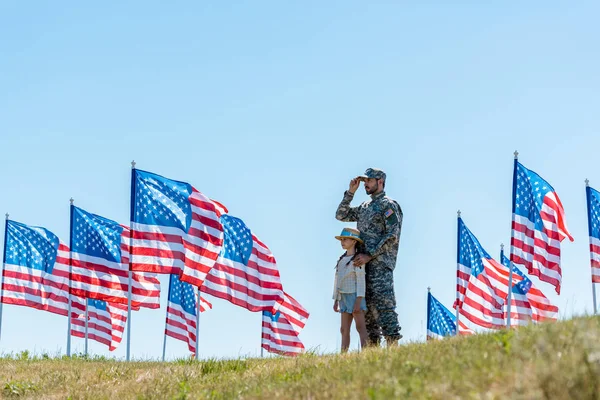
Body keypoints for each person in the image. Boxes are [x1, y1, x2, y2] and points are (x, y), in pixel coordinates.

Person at [335, 168, 403, 346]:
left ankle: (394, 348)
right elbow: (340, 215)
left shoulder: (388, 205)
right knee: (368, 312)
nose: (366, 184)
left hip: (380, 265)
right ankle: (372, 353)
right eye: (365, 181)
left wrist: (370, 255)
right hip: (361, 267)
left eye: (370, 181)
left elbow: (391, 236)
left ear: (380, 182)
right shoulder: (365, 207)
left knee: (384, 308)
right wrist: (351, 192)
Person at [333, 227, 369, 352]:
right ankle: (343, 354)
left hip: (354, 296)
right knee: (344, 329)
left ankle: (366, 353)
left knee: (360, 327)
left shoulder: (357, 259)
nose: (342, 242)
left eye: (345, 239)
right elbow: (337, 280)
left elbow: (360, 280)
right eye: (341, 239)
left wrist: (359, 299)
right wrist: (336, 299)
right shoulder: (341, 260)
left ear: (354, 241)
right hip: (343, 297)